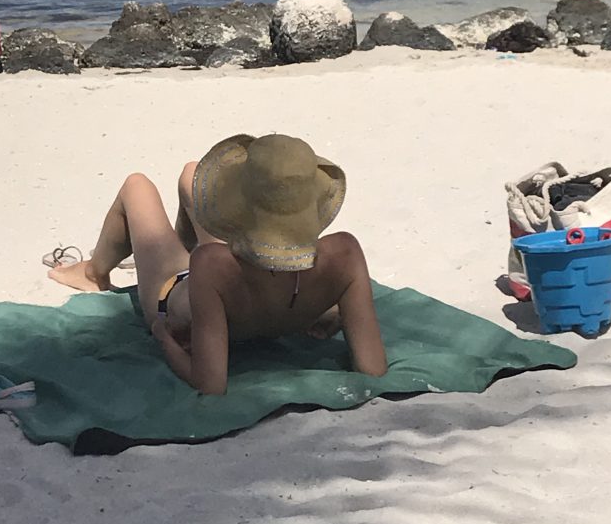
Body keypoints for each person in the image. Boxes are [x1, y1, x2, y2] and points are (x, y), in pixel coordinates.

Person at [48, 133, 388, 395]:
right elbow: (373, 367)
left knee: (136, 186)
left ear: (239, 203)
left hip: (183, 296)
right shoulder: (345, 254)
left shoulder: (213, 264)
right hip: (281, 297)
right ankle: (180, 239)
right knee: (191, 175)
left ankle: (93, 273)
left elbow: (210, 384)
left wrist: (163, 337)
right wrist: (336, 313)